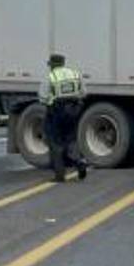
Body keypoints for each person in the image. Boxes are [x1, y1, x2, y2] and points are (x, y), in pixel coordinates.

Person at [39, 52, 88, 182]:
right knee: (71, 140)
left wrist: (50, 102)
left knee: (55, 142)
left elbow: (43, 97)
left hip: (57, 112)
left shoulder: (51, 77)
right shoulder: (75, 74)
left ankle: (60, 175)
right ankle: (79, 162)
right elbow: (84, 93)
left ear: (53, 65)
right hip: (74, 111)